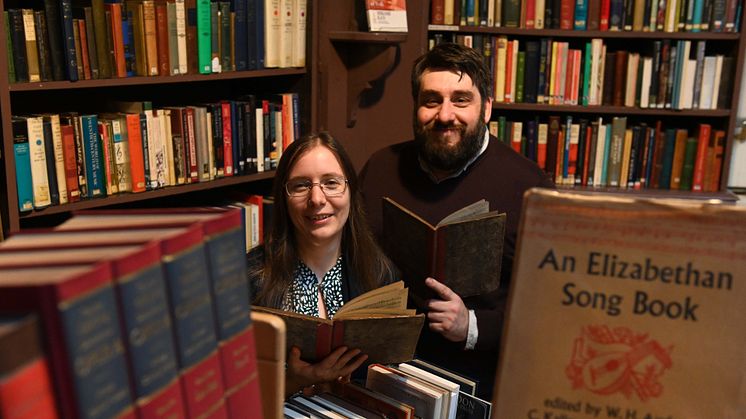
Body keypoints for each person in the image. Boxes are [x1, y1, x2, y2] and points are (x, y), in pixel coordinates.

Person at [359, 43, 554, 400]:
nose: (445, 115)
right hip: (388, 371)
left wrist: (472, 326)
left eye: (461, 100)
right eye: (431, 100)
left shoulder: (531, 188)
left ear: (487, 108)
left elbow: (551, 309)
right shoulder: (380, 168)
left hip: (481, 382)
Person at [247, 132, 397, 397]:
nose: (316, 199)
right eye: (301, 185)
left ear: (350, 192)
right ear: (284, 197)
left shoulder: (379, 274)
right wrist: (290, 382)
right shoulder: (248, 278)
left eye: (331, 183)